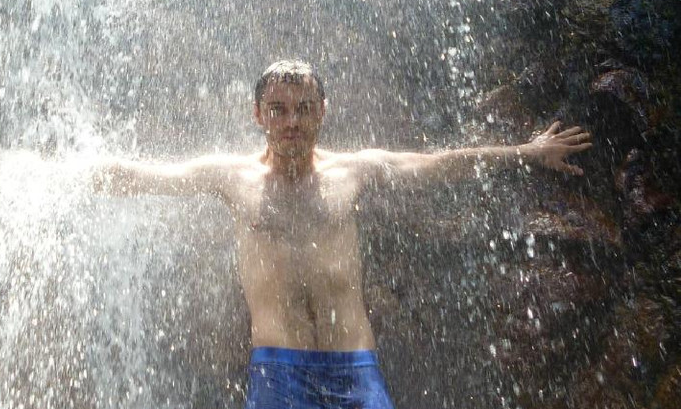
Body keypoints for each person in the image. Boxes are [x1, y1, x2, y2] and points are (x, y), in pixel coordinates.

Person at [93, 59, 593, 409]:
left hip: (355, 367)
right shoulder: (231, 177)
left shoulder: (353, 171)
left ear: (323, 111)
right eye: (278, 109)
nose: (292, 121)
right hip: (278, 370)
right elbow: (147, 176)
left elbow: (438, 165)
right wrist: (75, 174)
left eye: (304, 108)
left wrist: (528, 152)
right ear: (258, 114)